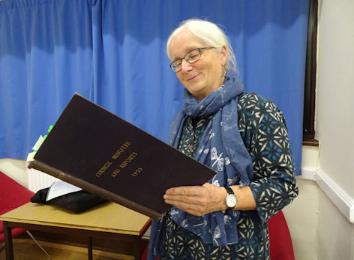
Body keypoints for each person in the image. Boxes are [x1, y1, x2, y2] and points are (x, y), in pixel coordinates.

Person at [148, 18, 299, 260]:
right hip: (176, 248)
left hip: (232, 252)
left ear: (222, 53)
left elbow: (283, 186)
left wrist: (224, 199)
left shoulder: (255, 109)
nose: (184, 67)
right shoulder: (184, 117)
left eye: (193, 54)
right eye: (177, 62)